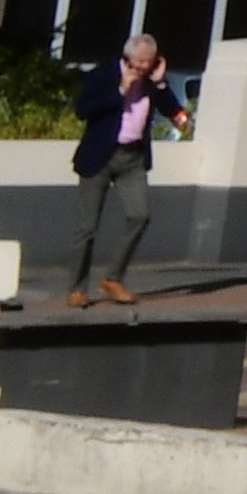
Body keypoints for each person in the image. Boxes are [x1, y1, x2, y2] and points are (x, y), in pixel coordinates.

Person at [70, 34, 176, 306]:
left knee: (140, 215)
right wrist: (120, 91)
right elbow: (83, 109)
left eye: (148, 62)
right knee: (87, 227)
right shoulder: (103, 75)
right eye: (139, 61)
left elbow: (172, 109)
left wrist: (161, 83)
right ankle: (77, 289)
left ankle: (113, 278)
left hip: (133, 158)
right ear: (127, 57)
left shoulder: (152, 81)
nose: (142, 67)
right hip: (100, 156)